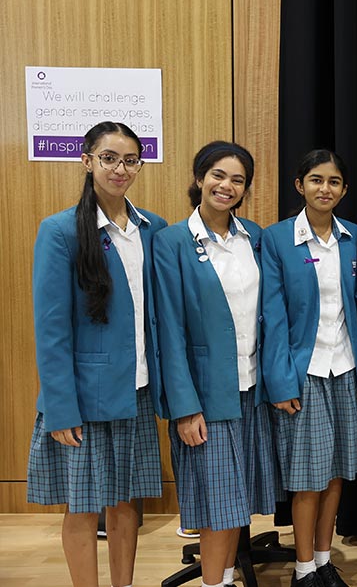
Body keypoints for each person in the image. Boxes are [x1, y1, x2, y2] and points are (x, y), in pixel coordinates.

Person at [28, 121, 165, 587]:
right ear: (87, 161)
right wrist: (60, 407)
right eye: (109, 158)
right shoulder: (61, 230)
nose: (119, 169)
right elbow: (51, 331)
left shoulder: (153, 228)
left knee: (127, 503)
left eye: (129, 160)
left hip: (138, 389)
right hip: (85, 398)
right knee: (83, 505)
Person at [154, 141, 279, 587]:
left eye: (238, 179)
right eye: (218, 175)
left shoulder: (255, 237)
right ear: (199, 177)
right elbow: (168, 330)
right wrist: (184, 406)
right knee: (215, 506)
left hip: (251, 389)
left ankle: (224, 579)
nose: (227, 186)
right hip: (206, 397)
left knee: (235, 503)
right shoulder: (171, 242)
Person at [262, 149, 357, 587]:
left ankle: (324, 560)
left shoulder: (354, 237)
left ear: (344, 189)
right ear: (299, 185)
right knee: (308, 477)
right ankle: (304, 568)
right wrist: (280, 379)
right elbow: (271, 314)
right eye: (316, 180)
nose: (325, 189)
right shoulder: (277, 239)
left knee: (337, 471)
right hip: (302, 372)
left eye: (334, 182)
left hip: (345, 368)